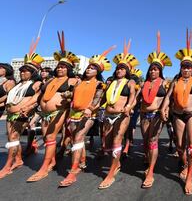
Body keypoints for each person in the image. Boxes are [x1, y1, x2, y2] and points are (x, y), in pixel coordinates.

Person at [160, 29, 192, 195]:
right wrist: (163, 108)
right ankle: (183, 163)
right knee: (180, 145)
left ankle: (189, 176)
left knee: (191, 143)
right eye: (184, 67)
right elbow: (168, 97)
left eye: (189, 67)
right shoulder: (174, 81)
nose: (186, 70)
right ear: (180, 67)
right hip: (177, 114)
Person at [58, 46, 115, 187]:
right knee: (74, 138)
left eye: (92, 68)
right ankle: (82, 162)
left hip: (88, 115)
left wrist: (90, 109)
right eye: (88, 67)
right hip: (73, 114)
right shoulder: (78, 81)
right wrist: (66, 95)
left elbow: (98, 100)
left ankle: (73, 171)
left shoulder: (100, 85)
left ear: (98, 71)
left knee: (78, 138)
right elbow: (71, 93)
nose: (88, 70)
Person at [27, 31, 79, 182]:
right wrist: (30, 106)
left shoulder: (73, 80)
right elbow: (39, 96)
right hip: (43, 113)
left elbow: (78, 96)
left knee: (50, 137)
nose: (60, 69)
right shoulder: (49, 80)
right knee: (47, 137)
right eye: (59, 67)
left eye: (63, 67)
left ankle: (43, 168)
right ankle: (53, 161)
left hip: (59, 111)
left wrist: (69, 98)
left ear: (68, 69)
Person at [0, 38, 43, 179]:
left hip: (23, 114)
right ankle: (18, 159)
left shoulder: (36, 83)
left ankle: (8, 165)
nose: (23, 72)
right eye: (22, 70)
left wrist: (27, 108)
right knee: (12, 138)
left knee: (13, 137)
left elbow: (37, 98)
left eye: (27, 71)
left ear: (33, 72)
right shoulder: (18, 84)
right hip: (10, 113)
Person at [98, 40, 137, 189]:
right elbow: (102, 99)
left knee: (116, 141)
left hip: (122, 115)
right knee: (107, 144)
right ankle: (117, 163)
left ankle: (111, 173)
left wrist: (128, 107)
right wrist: (94, 107)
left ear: (127, 71)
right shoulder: (111, 83)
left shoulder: (130, 82)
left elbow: (133, 98)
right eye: (118, 68)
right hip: (108, 114)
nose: (119, 70)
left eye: (122, 68)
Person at [140, 31, 172, 188]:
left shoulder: (165, 83)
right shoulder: (143, 83)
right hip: (144, 115)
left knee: (153, 141)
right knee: (146, 141)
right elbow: (137, 99)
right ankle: (148, 159)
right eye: (151, 69)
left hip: (157, 116)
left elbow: (170, 98)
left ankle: (151, 171)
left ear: (160, 71)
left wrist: (165, 111)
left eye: (156, 69)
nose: (153, 71)